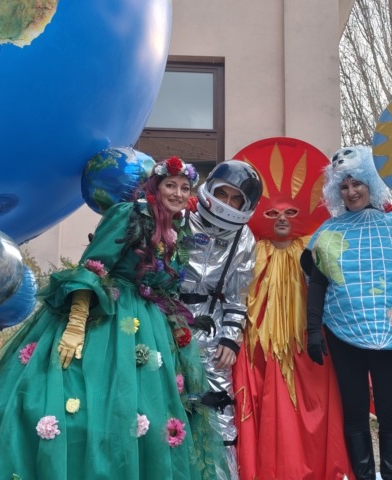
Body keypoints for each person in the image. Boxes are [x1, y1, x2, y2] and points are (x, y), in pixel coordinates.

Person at [0, 156, 229, 479]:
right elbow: (94, 266)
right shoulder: (127, 214)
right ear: (155, 187)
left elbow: (167, 287)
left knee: (148, 415)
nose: (177, 193)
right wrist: (77, 321)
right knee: (80, 405)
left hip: (152, 327)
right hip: (108, 315)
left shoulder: (177, 230)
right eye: (170, 185)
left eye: (184, 188)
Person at [231, 137, 353, 479]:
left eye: (290, 212)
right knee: (266, 407)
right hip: (260, 347)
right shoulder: (252, 250)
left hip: (307, 345)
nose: (282, 218)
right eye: (273, 212)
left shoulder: (312, 247)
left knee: (313, 407)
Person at [303, 146, 392, 480]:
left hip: (391, 331)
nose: (351, 191)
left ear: (371, 182)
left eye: (357, 183)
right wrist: (313, 330)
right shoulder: (329, 233)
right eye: (343, 186)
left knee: (389, 410)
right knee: (355, 412)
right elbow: (318, 283)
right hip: (342, 332)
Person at [179, 159, 262, 479]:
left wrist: (230, 337)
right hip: (167, 317)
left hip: (212, 326)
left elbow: (238, 294)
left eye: (235, 199)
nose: (227, 203)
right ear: (210, 190)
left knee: (218, 405)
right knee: (165, 395)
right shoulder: (181, 218)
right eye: (223, 194)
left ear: (245, 206)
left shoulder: (244, 239)